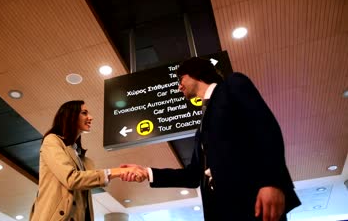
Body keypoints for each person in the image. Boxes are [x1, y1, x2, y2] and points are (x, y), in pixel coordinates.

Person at [121, 57, 301, 221]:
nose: (179, 86)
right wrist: (147, 172)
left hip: (253, 204)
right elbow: (193, 176)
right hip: (221, 211)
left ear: (194, 74)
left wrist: (271, 182)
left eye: (180, 79)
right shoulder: (202, 126)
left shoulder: (232, 85)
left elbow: (265, 128)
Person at [30, 100, 143, 221]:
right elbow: (71, 179)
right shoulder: (52, 141)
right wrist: (118, 172)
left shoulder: (82, 158)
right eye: (84, 113)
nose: (91, 117)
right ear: (70, 116)